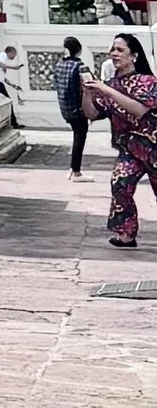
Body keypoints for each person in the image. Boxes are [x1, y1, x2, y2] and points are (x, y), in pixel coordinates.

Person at [81, 31, 155, 251]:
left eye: (120, 50)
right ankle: (126, 234)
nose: (114, 54)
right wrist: (87, 93)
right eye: (112, 49)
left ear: (134, 56)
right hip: (130, 149)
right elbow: (93, 114)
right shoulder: (111, 84)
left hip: (153, 147)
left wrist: (106, 90)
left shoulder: (147, 82)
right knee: (120, 183)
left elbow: (140, 110)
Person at [55, 36, 89, 178]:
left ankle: (74, 168)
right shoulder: (80, 66)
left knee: (77, 134)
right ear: (79, 50)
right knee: (80, 136)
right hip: (78, 108)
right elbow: (89, 84)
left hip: (65, 107)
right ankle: (75, 170)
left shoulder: (58, 65)